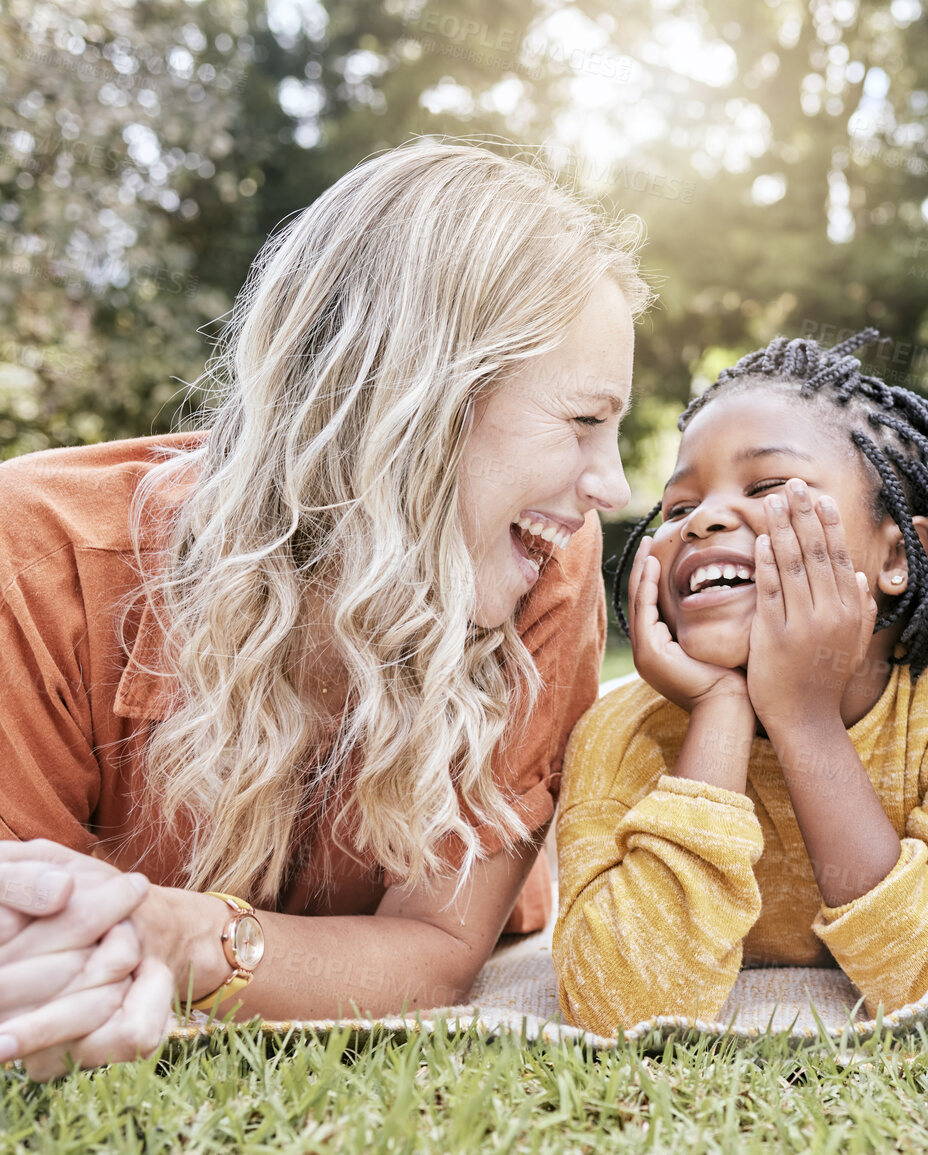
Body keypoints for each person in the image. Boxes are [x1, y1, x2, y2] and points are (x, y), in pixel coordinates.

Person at [0, 140, 648, 1078]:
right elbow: (31, 934)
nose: (615, 485)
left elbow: (433, 951)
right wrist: (71, 960)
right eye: (585, 421)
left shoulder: (540, 564)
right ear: (414, 400)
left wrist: (172, 933)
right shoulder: (44, 555)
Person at [552, 332, 928, 1033]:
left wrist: (804, 719)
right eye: (675, 509)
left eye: (767, 487)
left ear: (897, 553)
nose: (706, 518)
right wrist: (721, 711)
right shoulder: (623, 731)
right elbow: (617, 1005)